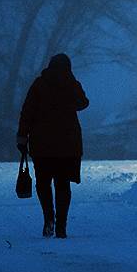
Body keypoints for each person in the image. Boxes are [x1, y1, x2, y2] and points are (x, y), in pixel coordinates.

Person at [17, 53, 89, 238]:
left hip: (42, 145)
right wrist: (71, 82)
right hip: (67, 145)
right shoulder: (70, 84)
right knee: (63, 185)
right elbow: (83, 103)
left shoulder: (39, 85)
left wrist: (22, 136)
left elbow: (27, 111)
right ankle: (61, 226)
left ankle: (48, 218)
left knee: (43, 183)